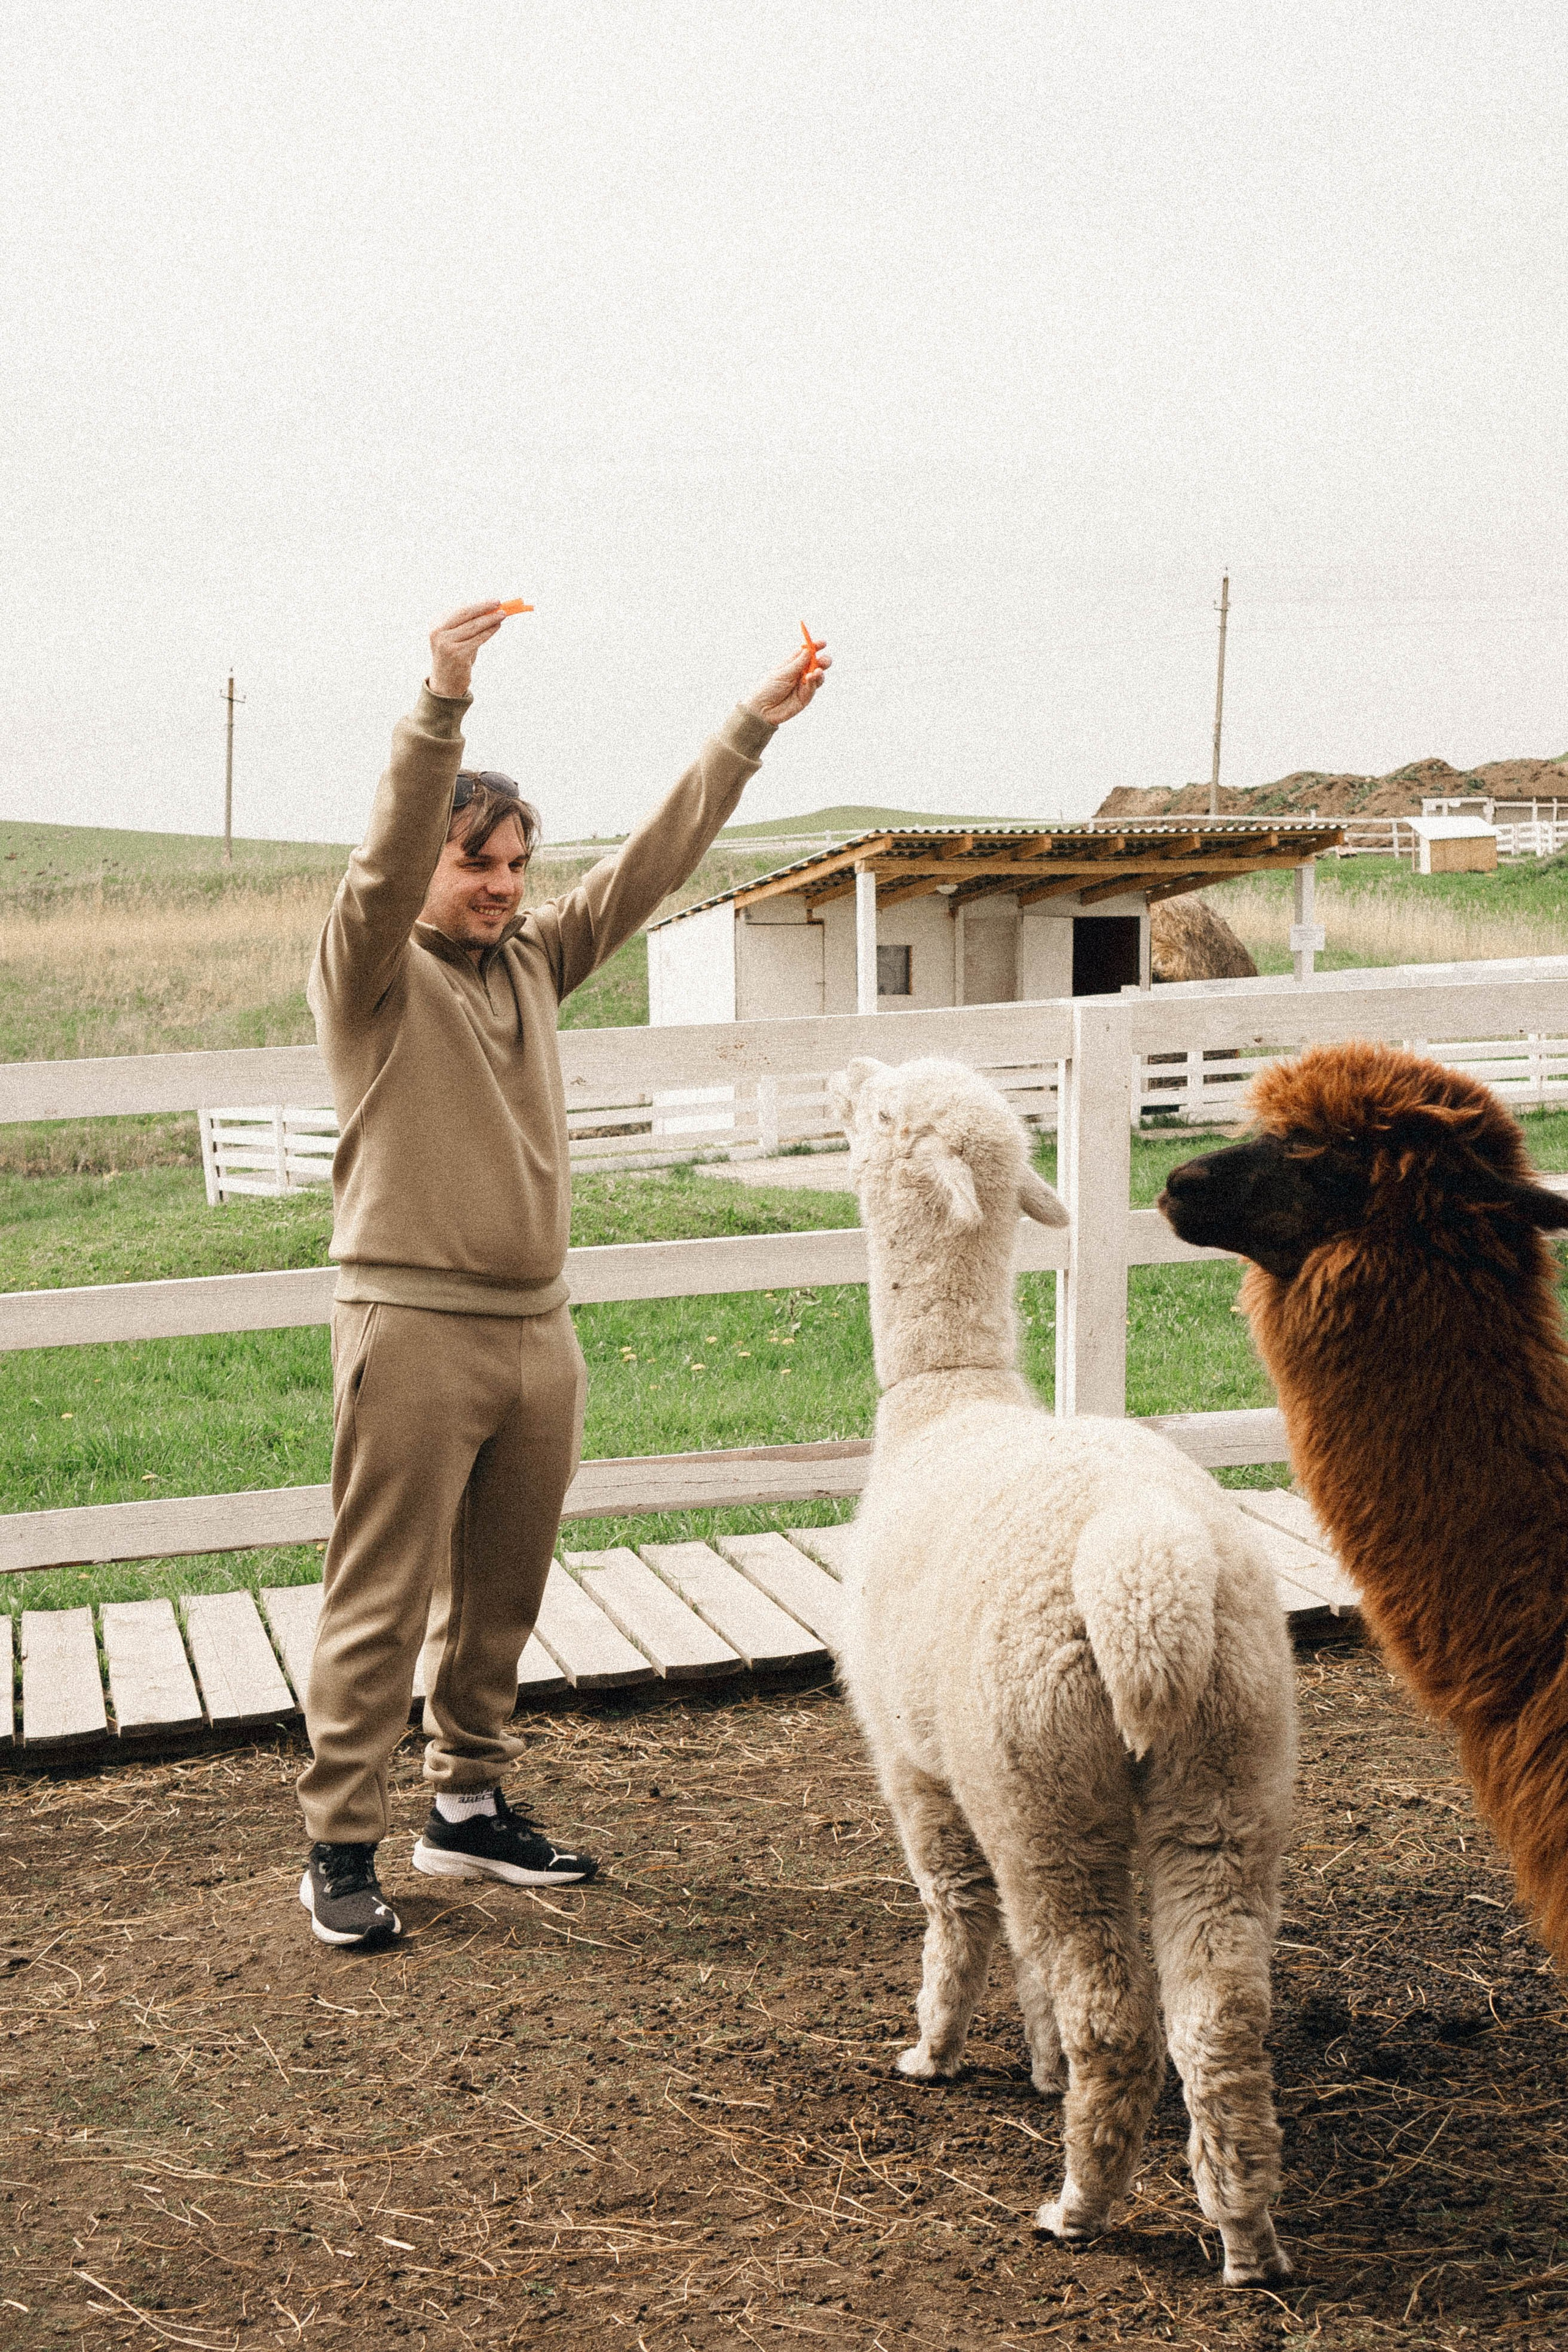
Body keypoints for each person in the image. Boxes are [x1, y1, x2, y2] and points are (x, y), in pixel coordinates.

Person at [296, 601, 830, 1945]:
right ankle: (339, 1847)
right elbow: (377, 865)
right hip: (410, 1324)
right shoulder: (366, 973)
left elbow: (651, 866)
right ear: (429, 862)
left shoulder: (533, 960)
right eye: (477, 863)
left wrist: (747, 729)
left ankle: (464, 1810)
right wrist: (441, 698)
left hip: (539, 1329)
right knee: (380, 1595)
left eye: (517, 864)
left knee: (503, 1595)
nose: (502, 886)